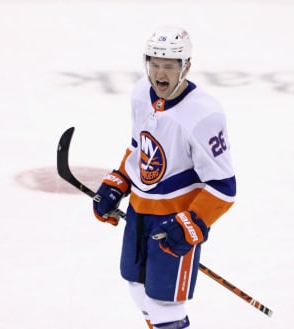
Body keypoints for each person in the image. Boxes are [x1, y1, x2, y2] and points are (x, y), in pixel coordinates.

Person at [93, 26, 236, 329]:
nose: (160, 72)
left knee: (164, 307)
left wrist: (193, 223)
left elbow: (224, 187)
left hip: (174, 219)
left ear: (186, 66)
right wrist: (119, 180)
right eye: (154, 64)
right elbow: (139, 149)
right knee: (138, 290)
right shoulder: (140, 95)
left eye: (168, 66)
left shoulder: (204, 114)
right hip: (140, 213)